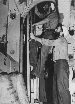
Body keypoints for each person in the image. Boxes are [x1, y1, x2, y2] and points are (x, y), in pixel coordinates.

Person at [30, 23, 71, 104]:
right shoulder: (58, 42)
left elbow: (48, 42)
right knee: (56, 89)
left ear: (62, 32)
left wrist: (35, 38)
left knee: (61, 88)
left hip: (61, 64)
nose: (55, 30)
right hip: (57, 65)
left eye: (58, 29)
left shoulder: (61, 40)